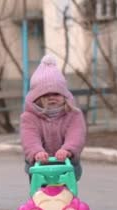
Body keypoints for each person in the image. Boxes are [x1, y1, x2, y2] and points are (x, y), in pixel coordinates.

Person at [20, 54, 86, 182]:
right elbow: (29, 137)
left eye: (56, 94)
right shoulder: (29, 117)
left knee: (66, 195)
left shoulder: (73, 114)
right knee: (40, 197)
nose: (52, 97)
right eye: (46, 95)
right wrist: (36, 152)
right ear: (37, 97)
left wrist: (67, 149)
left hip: (66, 164)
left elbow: (76, 134)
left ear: (64, 95)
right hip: (39, 166)